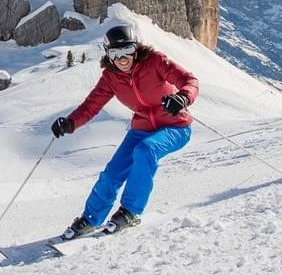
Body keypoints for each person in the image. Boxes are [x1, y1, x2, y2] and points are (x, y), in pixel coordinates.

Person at [51, 24, 199, 239]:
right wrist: (71, 123)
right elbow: (91, 105)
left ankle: (130, 211)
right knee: (112, 172)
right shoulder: (111, 77)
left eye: (127, 51)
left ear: (136, 49)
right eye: (115, 53)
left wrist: (182, 97)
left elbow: (189, 80)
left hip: (175, 126)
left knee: (145, 151)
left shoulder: (155, 61)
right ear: (108, 54)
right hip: (141, 129)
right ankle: (91, 218)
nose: (122, 59)